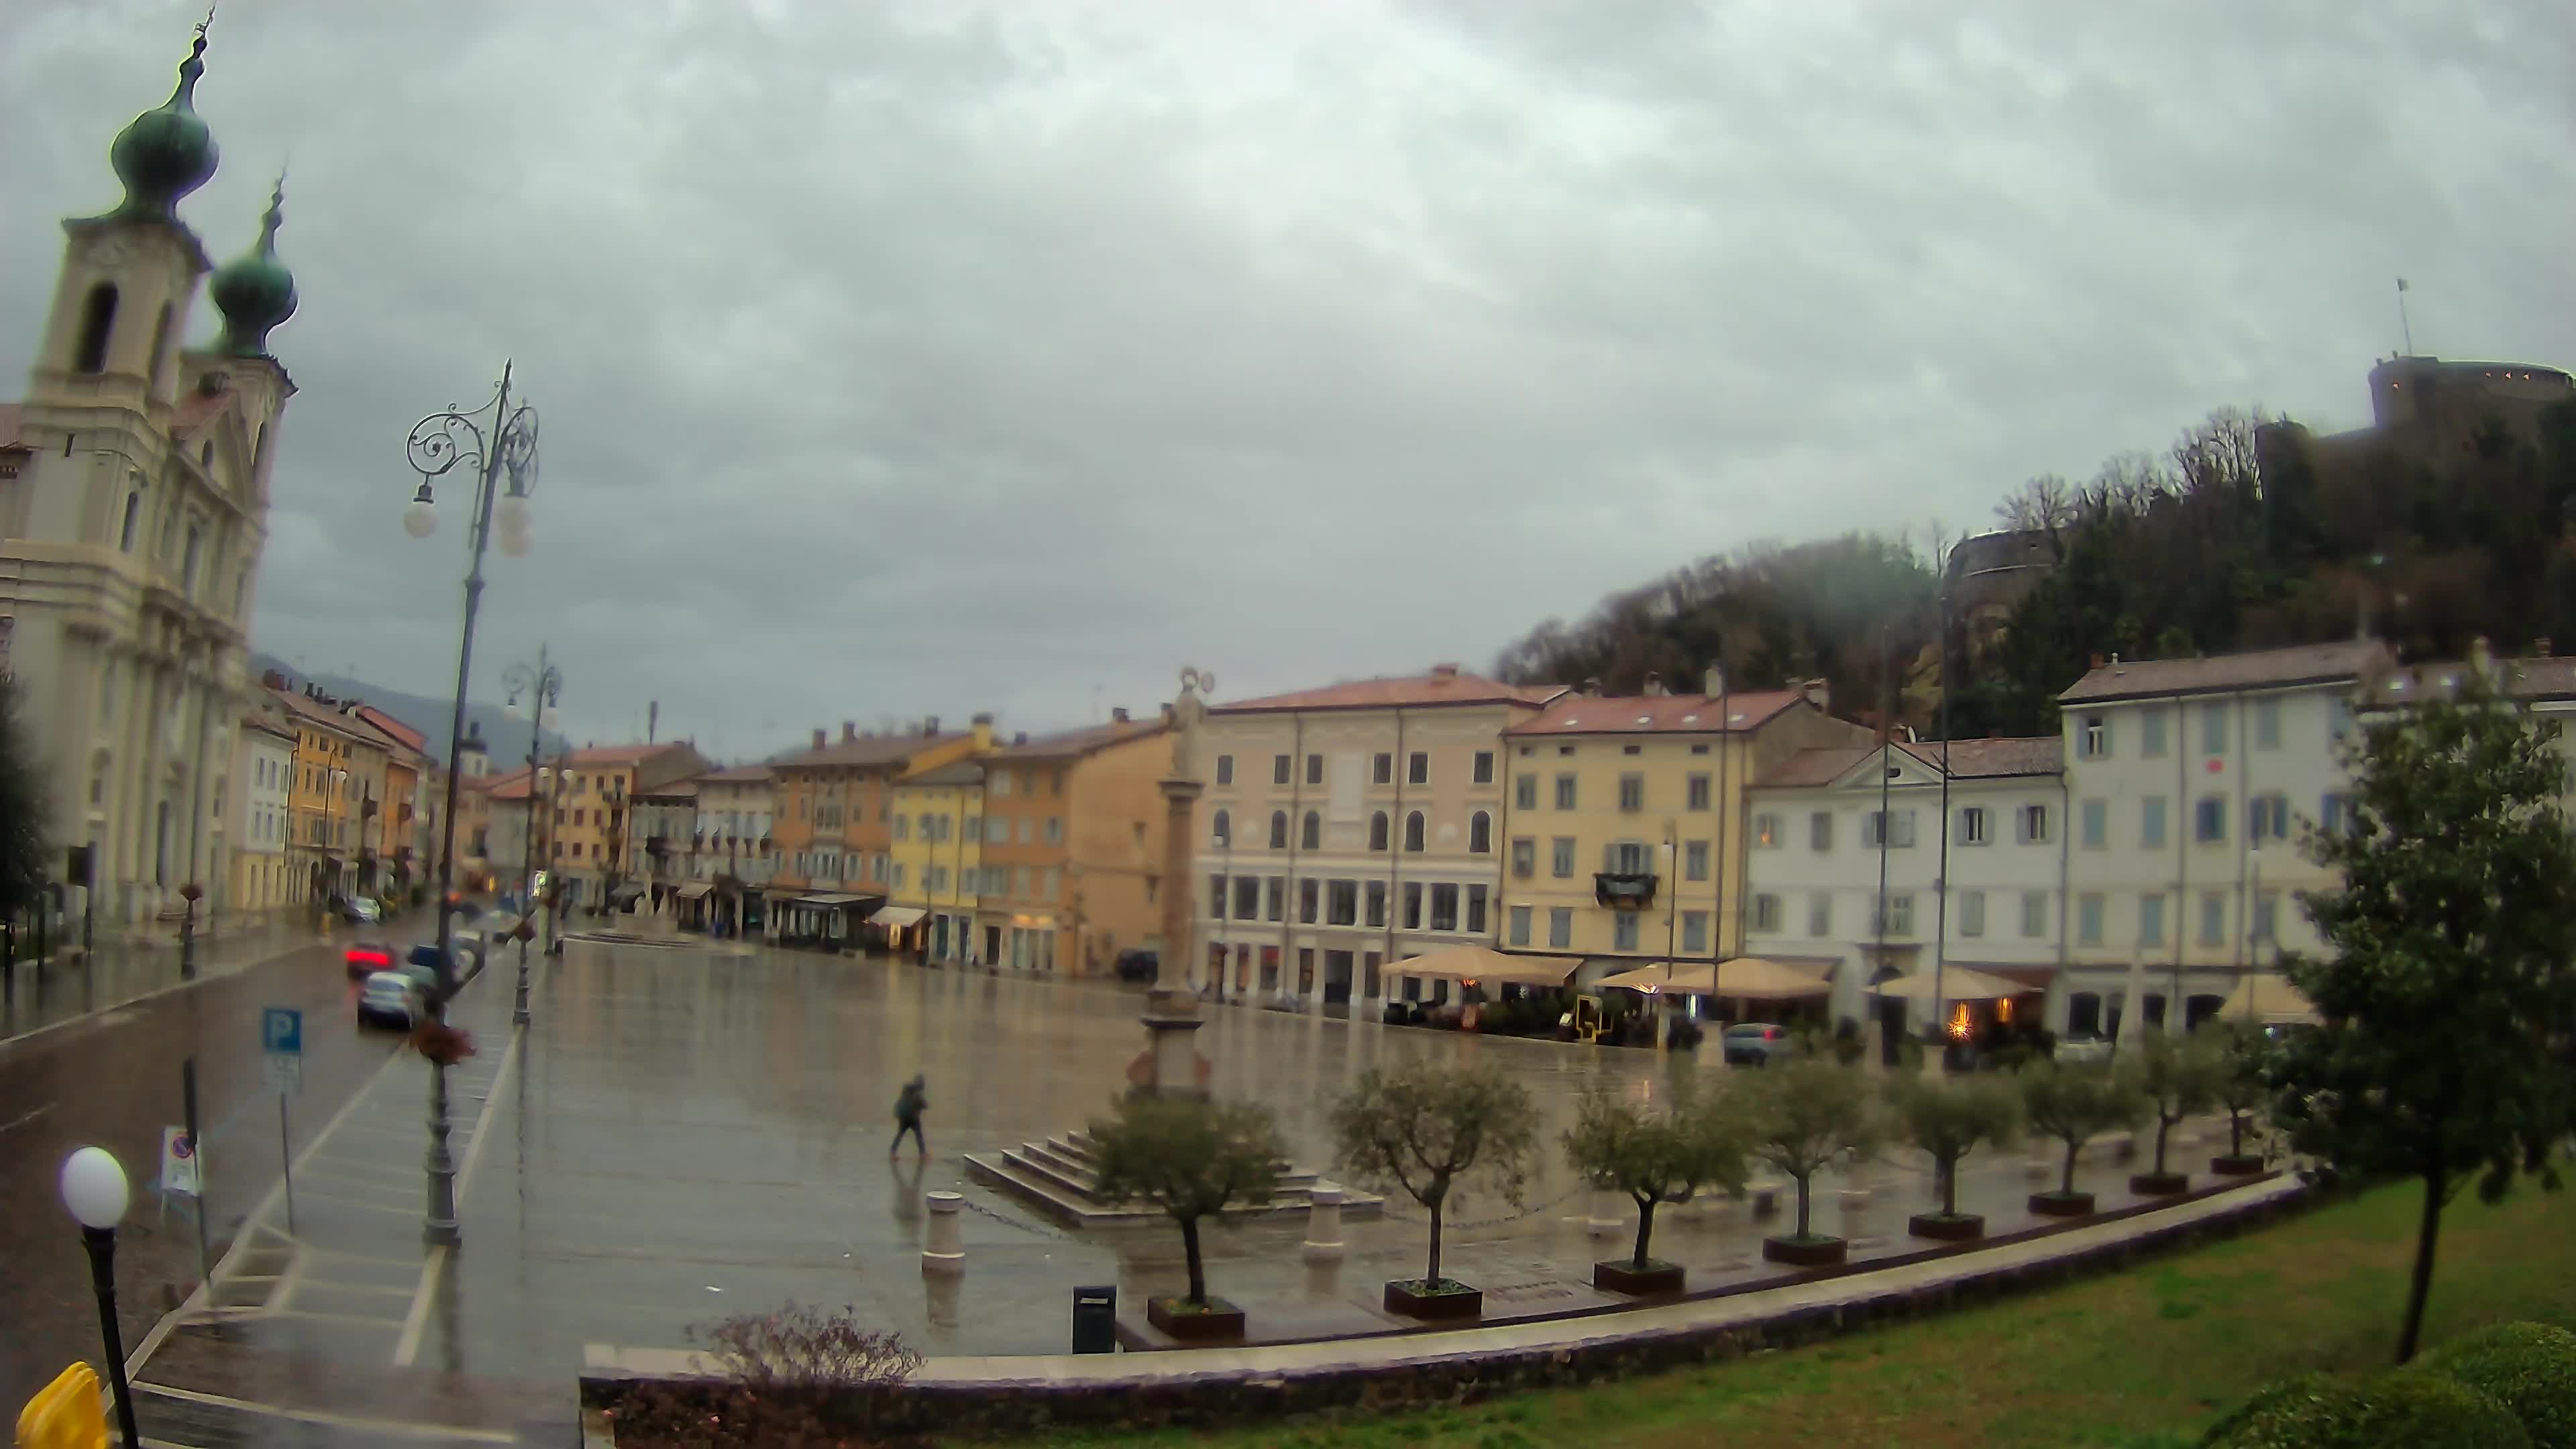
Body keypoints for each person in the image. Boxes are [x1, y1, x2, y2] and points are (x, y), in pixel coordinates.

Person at [891, 1075, 928, 1159]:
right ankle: (923, 1154)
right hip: (913, 1119)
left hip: (903, 1118)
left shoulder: (906, 1091)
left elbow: (901, 1101)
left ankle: (893, 1152)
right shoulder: (918, 1094)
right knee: (919, 1136)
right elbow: (925, 1105)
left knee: (900, 1134)